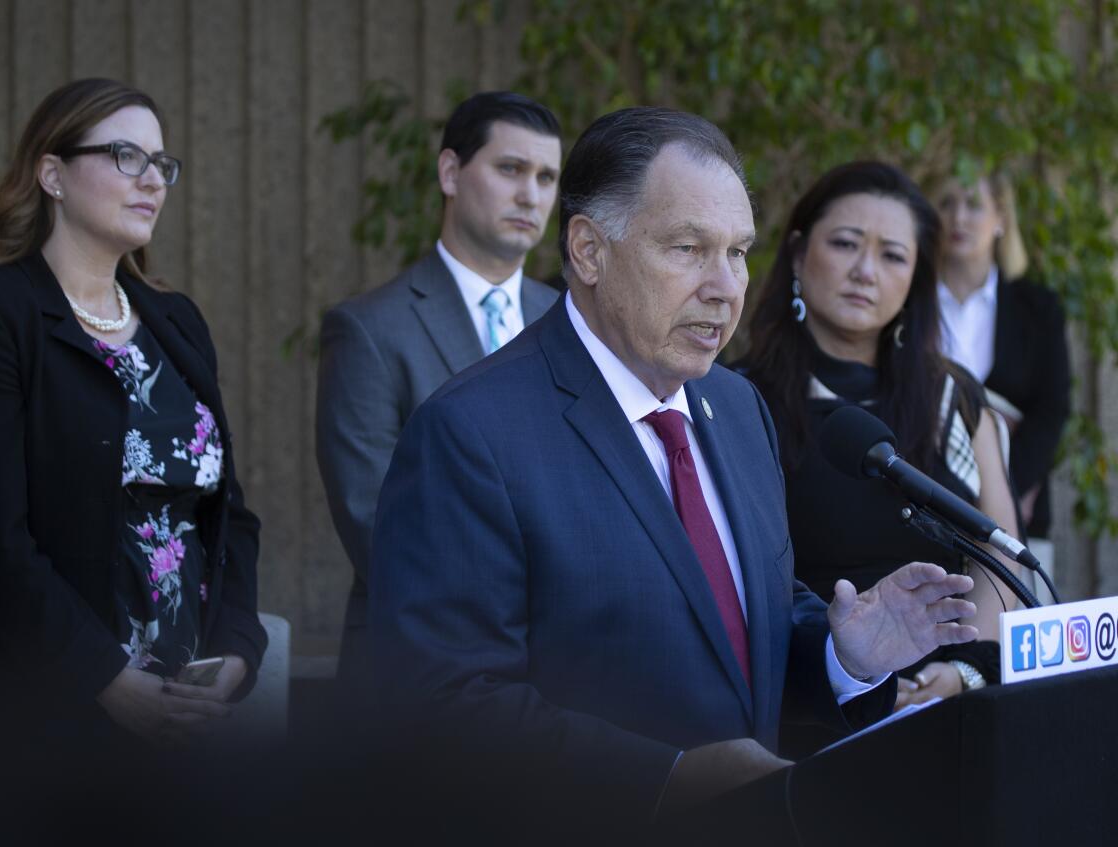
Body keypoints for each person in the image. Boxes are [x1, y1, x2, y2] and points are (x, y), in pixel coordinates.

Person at [367, 110, 978, 838]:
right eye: (689, 248)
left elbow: (757, 619)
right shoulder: (470, 433)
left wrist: (847, 654)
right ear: (590, 251)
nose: (726, 288)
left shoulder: (736, 405)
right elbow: (442, 702)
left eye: (739, 253)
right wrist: (664, 779)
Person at [0, 78, 266, 828]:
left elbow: (229, 518)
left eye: (162, 164)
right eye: (124, 155)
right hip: (30, 717)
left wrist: (235, 655)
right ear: (51, 175)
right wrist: (106, 678)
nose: (152, 179)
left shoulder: (176, 321)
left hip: (179, 717)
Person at [741, 161, 1023, 725]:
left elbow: (1000, 555)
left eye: (893, 255)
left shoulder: (953, 397)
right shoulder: (736, 397)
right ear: (798, 254)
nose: (865, 271)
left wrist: (965, 671)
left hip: (948, 705)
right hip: (803, 702)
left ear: (917, 277)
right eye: (845, 244)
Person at [315, 91, 561, 683]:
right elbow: (375, 521)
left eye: (548, 176)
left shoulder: (570, 322)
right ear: (450, 172)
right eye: (510, 169)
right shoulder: (370, 329)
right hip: (420, 674)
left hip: (564, 678)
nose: (532, 194)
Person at [932, 170, 1070, 540]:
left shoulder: (1038, 307)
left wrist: (1009, 490)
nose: (958, 218)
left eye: (973, 205)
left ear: (1001, 219)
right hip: (923, 507)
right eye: (947, 204)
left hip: (1020, 504)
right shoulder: (908, 301)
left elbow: (1052, 407)